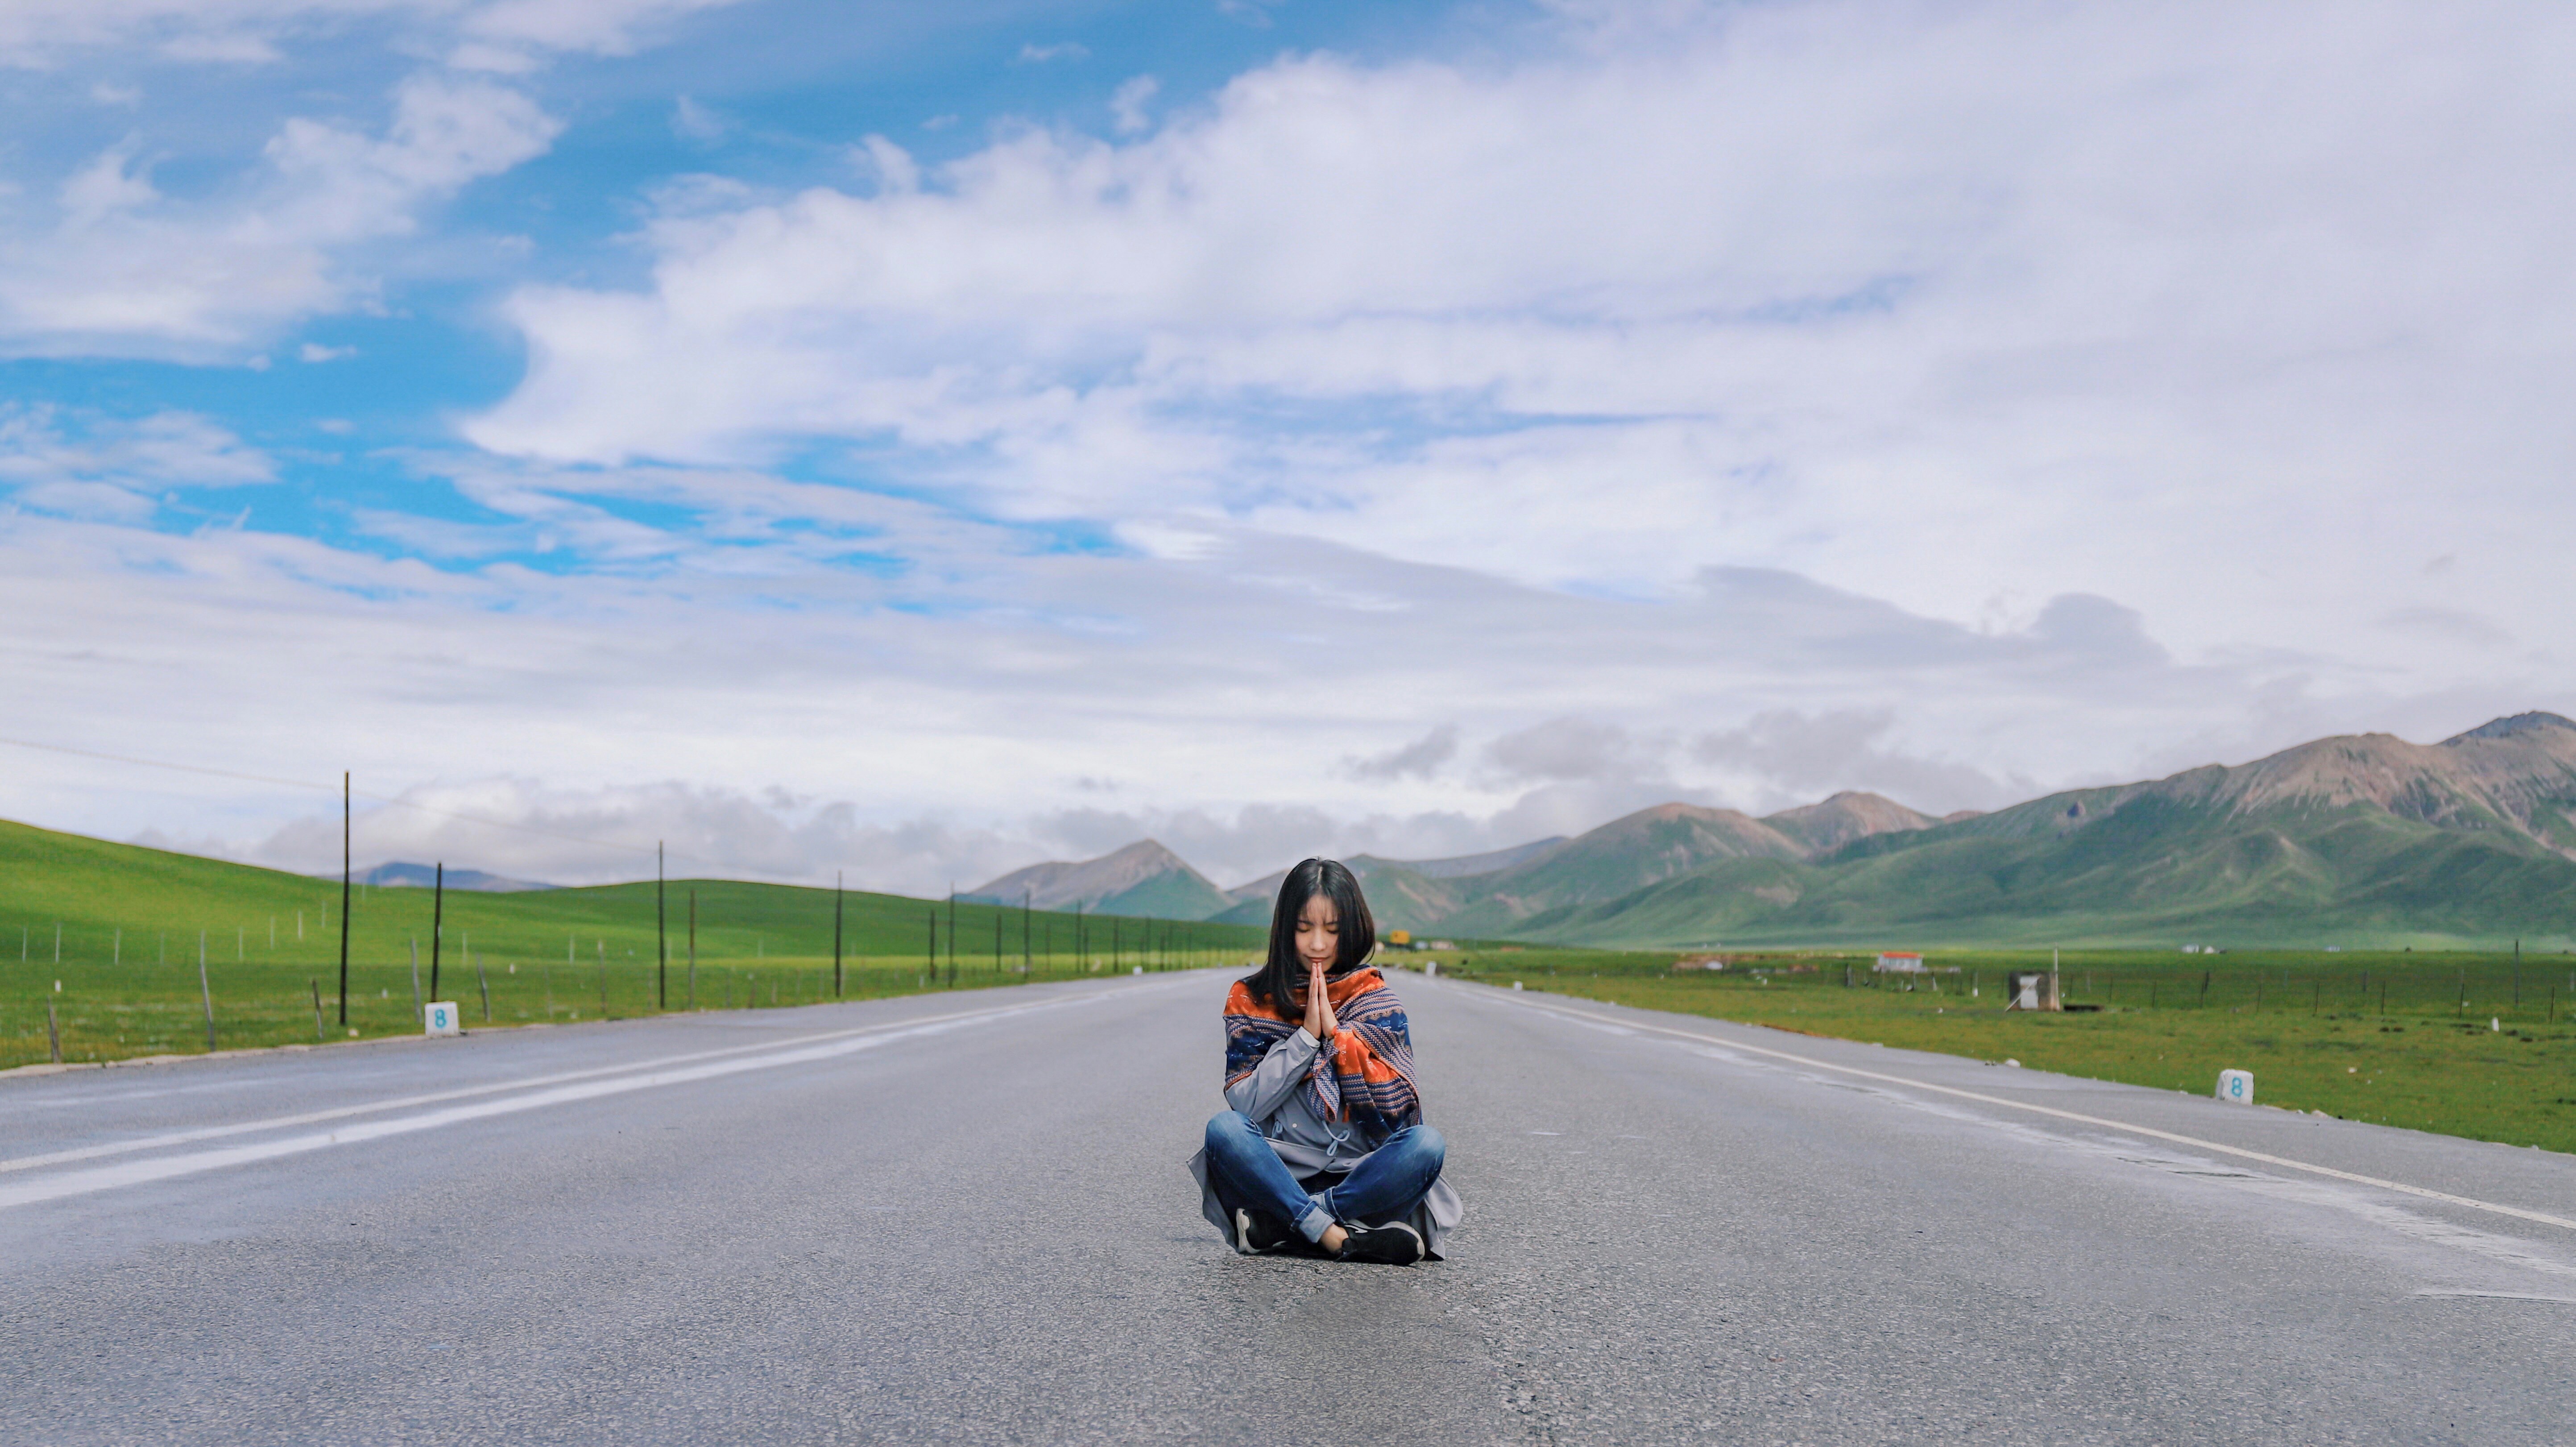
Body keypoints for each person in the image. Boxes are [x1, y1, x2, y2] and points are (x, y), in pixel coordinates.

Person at [1185, 858, 1462, 1265]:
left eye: (1332, 930)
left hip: (1361, 1176)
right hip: (1280, 1173)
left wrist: (1340, 1038)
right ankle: (1345, 1238)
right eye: (1304, 928)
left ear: (1351, 930)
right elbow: (1246, 1106)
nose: (1318, 944)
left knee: (1426, 1145)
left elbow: (1399, 1120)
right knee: (1224, 1131)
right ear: (1285, 930)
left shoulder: (1376, 1000)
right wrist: (1306, 1038)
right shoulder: (1250, 997)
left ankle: (1290, 1225)